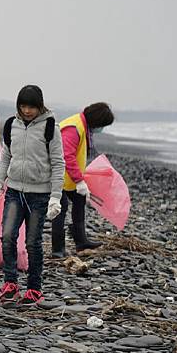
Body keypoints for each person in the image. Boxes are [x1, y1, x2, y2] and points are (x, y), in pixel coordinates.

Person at [0, 85, 65, 307]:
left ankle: (34, 288)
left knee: (33, 242)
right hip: (14, 192)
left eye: (31, 106)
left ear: (39, 106)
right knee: (8, 237)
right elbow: (5, 157)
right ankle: (10, 282)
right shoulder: (11, 125)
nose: (27, 111)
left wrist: (55, 196)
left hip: (39, 195)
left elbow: (58, 163)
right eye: (23, 106)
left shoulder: (50, 127)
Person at [50, 102, 115, 258]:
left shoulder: (83, 126)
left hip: (68, 177)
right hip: (58, 175)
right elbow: (67, 156)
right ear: (97, 122)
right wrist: (79, 181)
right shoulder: (74, 128)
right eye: (102, 125)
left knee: (79, 201)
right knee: (61, 208)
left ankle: (81, 242)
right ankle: (57, 249)